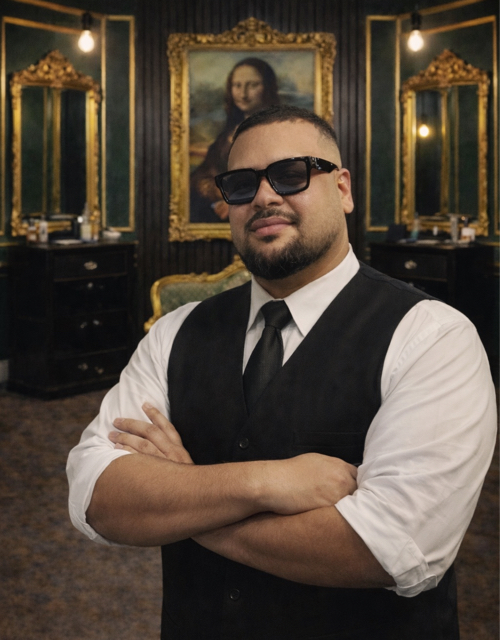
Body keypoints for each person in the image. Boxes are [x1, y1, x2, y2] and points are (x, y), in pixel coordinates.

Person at [67, 105, 496, 639]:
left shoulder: (433, 337)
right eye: (242, 185)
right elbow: (97, 496)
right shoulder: (174, 333)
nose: (264, 197)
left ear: (343, 189)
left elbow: (388, 549)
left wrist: (186, 498)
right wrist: (268, 482)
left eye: (291, 174)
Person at [190, 57, 279, 222]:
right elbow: (205, 171)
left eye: (253, 85)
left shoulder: (278, 132)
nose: (243, 94)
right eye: (237, 85)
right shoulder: (228, 132)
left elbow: (276, 179)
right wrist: (218, 194)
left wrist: (236, 200)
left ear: (267, 88)